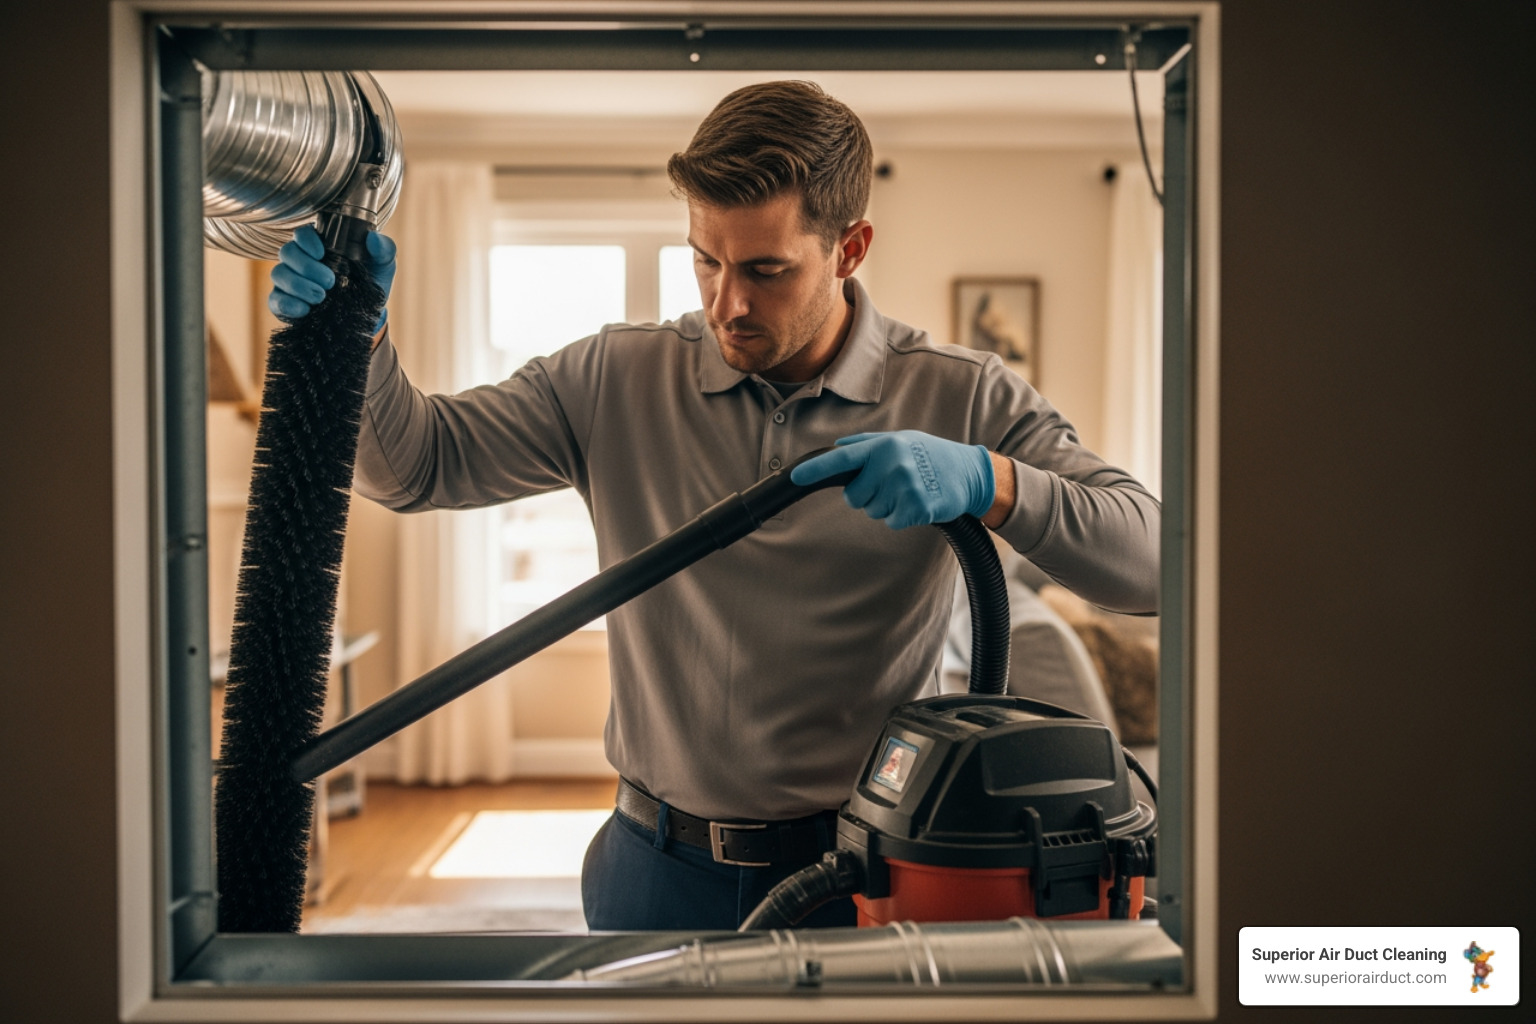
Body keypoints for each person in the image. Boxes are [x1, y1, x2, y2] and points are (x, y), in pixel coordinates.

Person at [270, 81, 1160, 931]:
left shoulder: (961, 396)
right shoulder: (614, 377)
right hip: (653, 866)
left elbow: (1156, 564)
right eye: (706, 260)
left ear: (849, 250)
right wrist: (359, 344)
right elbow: (417, 466)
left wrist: (990, 480)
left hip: (858, 872)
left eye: (767, 270)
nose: (726, 303)